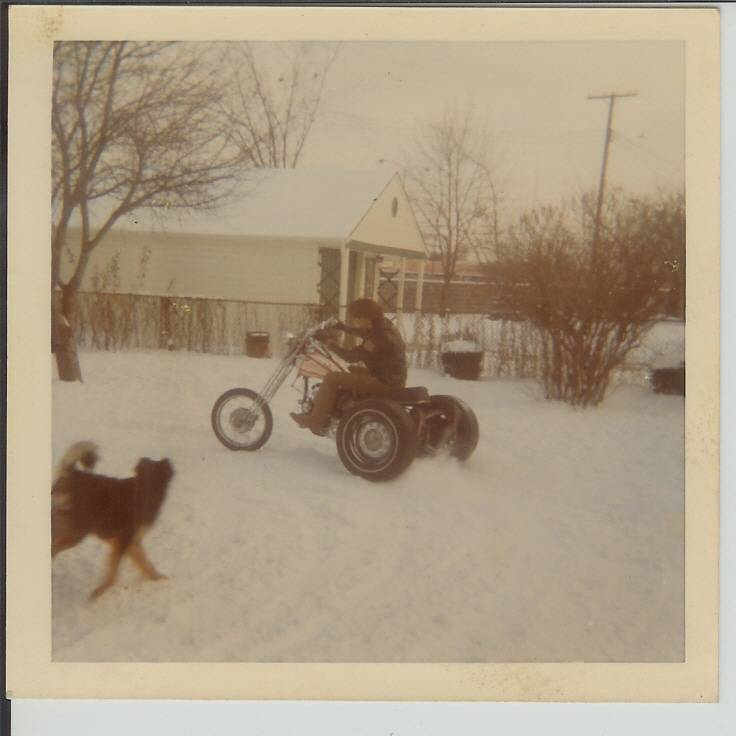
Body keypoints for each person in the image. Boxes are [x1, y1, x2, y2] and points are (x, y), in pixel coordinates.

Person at [290, 298, 407, 433]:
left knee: (331, 378)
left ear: (366, 318)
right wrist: (343, 327)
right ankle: (337, 408)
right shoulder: (385, 326)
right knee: (350, 371)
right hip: (392, 378)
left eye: (357, 318)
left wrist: (328, 342)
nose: (355, 321)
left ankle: (315, 420)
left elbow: (350, 357)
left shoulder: (378, 339)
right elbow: (365, 332)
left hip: (385, 383)